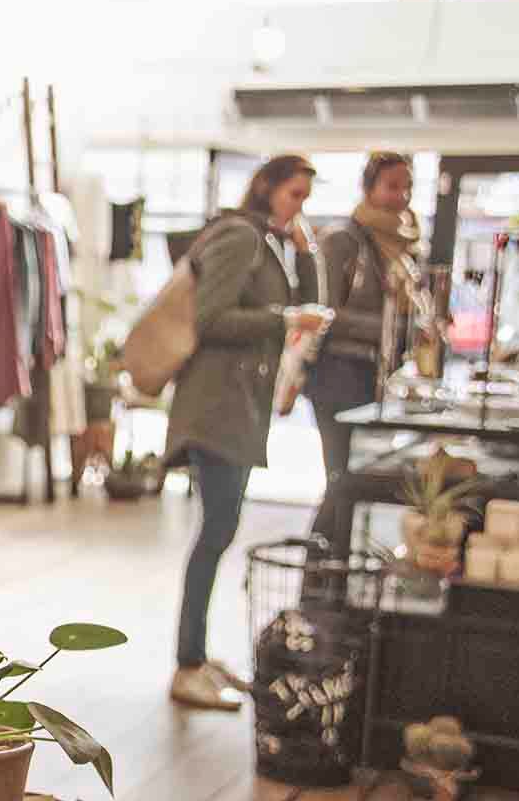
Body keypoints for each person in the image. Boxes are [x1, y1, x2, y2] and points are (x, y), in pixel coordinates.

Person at [166, 155, 327, 710]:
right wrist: (282, 320)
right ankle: (187, 664)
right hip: (216, 406)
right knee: (216, 531)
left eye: (306, 197)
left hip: (235, 406)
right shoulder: (238, 236)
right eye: (294, 195)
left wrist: (307, 256)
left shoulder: (269, 239)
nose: (300, 206)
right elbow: (210, 319)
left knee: (219, 530)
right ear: (267, 189)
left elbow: (310, 304)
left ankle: (196, 656)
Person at [306, 152, 418, 544]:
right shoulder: (343, 239)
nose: (400, 196)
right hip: (339, 373)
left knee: (356, 479)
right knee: (342, 477)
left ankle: (335, 574)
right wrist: (400, 327)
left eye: (407, 187)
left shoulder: (402, 247)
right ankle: (319, 576)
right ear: (369, 187)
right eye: (391, 186)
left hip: (376, 376)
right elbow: (326, 312)